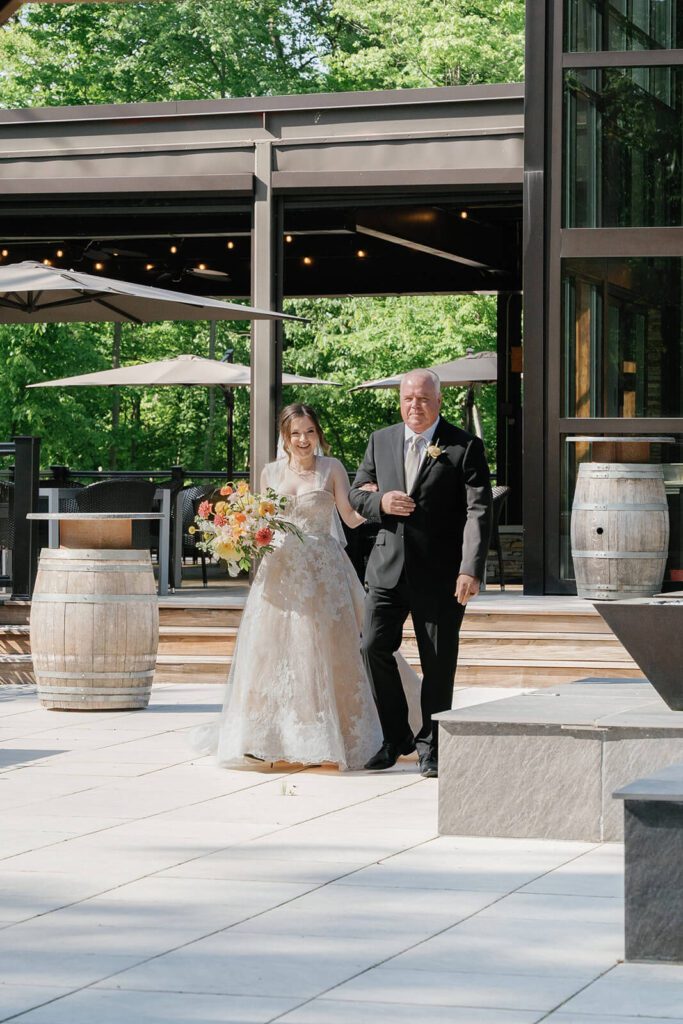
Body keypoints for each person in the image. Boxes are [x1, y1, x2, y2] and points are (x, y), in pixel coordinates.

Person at [192, 403, 420, 771]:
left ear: (318, 433)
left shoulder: (331, 468)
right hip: (280, 572)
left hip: (324, 571)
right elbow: (260, 520)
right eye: (295, 433)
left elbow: (349, 516)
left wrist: (381, 500)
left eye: (309, 432)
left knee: (333, 648)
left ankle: (346, 733)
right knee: (275, 652)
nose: (302, 440)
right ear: (285, 436)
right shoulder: (270, 472)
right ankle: (266, 738)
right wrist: (237, 533)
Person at [350, 368, 492, 778]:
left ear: (439, 402)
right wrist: (383, 504)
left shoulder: (464, 447)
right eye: (409, 398)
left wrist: (471, 568)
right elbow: (358, 494)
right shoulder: (381, 440)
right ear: (400, 400)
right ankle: (396, 738)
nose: (415, 405)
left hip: (442, 574)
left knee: (439, 661)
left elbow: (479, 510)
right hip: (386, 570)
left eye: (424, 399)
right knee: (372, 646)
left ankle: (433, 746)